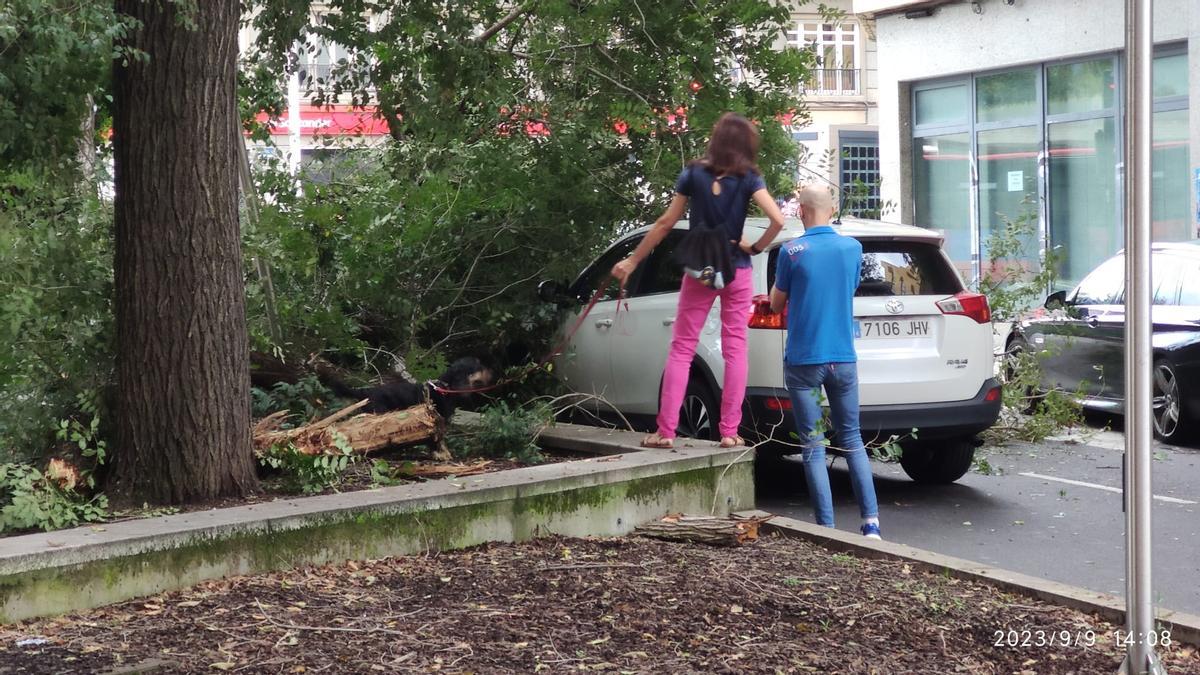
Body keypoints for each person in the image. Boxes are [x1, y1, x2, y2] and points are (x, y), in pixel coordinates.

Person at [611, 112, 785, 450]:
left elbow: (664, 223)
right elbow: (778, 219)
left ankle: (666, 431)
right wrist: (755, 246)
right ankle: (730, 432)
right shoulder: (749, 178)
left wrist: (632, 261)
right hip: (736, 268)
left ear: (715, 140)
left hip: (700, 269)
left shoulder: (692, 174)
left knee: (682, 347)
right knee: (735, 347)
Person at [769, 185, 881, 540]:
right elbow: (847, 290)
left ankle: (828, 528)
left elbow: (775, 303)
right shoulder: (853, 249)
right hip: (843, 356)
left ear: (801, 211)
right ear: (831, 209)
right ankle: (871, 524)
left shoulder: (792, 251)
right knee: (852, 438)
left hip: (804, 358)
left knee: (813, 445)